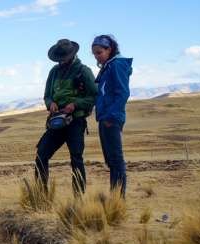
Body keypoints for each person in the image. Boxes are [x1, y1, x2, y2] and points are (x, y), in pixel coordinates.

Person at [34, 39, 97, 196]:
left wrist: (75, 104)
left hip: (75, 121)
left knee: (76, 157)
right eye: (59, 58)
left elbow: (95, 96)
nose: (61, 61)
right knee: (41, 153)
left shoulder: (84, 71)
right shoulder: (54, 72)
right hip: (56, 121)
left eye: (63, 57)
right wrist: (51, 103)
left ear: (72, 55)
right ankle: (41, 195)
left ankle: (78, 197)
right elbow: (47, 95)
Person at [92, 35, 132, 198]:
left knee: (116, 159)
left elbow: (123, 92)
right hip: (105, 117)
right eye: (94, 54)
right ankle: (115, 195)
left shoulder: (116, 65)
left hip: (111, 118)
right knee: (111, 160)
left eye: (99, 52)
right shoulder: (108, 66)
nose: (96, 56)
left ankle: (118, 200)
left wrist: (111, 116)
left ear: (110, 49)